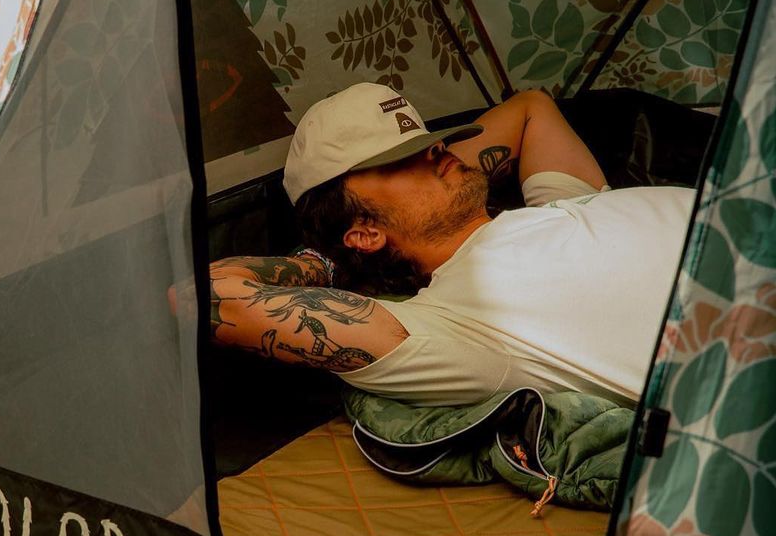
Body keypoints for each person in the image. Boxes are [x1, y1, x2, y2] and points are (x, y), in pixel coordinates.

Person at [209, 82, 695, 407]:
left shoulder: (556, 207)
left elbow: (531, 109)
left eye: (430, 142)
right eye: (400, 158)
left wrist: (433, 170)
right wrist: (332, 257)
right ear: (364, 232)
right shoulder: (454, 327)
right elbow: (207, 293)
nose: (438, 150)